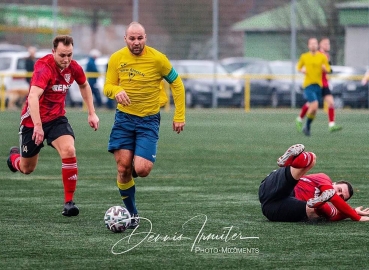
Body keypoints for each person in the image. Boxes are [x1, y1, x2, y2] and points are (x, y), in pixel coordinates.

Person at [103, 22, 185, 228]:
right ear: (125, 39)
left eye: (140, 38)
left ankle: (135, 163)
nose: (136, 42)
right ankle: (132, 215)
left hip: (148, 120)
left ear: (145, 38)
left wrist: (179, 115)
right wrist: (116, 91)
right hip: (124, 119)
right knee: (123, 169)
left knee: (143, 169)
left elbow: (177, 83)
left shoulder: (158, 59)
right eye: (132, 39)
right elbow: (107, 86)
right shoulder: (116, 58)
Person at [6, 35, 100, 217]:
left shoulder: (73, 67)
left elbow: (84, 85)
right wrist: (38, 126)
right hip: (32, 121)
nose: (66, 60)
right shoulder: (44, 67)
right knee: (27, 168)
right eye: (62, 55)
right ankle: (13, 159)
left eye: (69, 55)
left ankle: (69, 203)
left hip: (57, 119)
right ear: (53, 52)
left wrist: (92, 112)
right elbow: (33, 97)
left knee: (69, 150)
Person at [259, 144, 369, 222]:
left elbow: (335, 216)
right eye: (339, 190)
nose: (338, 194)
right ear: (334, 183)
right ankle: (289, 160)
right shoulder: (323, 178)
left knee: (316, 212)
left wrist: (354, 212)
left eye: (342, 197)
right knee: (312, 159)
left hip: (272, 209)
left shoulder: (328, 206)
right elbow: (332, 196)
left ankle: (317, 203)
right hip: (272, 187)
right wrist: (356, 217)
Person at [296, 38, 342, 133]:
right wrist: (303, 70)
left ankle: (303, 121)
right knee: (314, 105)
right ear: (320, 45)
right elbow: (299, 67)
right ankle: (304, 122)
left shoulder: (324, 56)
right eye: (326, 44)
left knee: (315, 105)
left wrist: (326, 69)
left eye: (328, 44)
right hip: (315, 84)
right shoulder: (313, 55)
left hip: (320, 84)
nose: (328, 45)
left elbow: (329, 69)